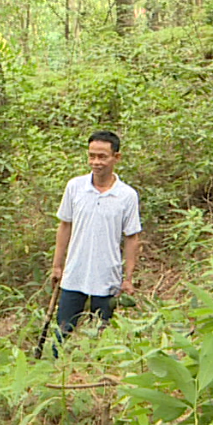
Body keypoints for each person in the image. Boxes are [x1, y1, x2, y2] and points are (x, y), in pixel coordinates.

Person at [49, 131, 142, 344]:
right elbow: (65, 226)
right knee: (62, 333)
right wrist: (57, 265)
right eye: (92, 156)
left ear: (116, 157)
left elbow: (132, 238)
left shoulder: (127, 196)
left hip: (108, 277)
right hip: (74, 274)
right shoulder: (75, 187)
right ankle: (57, 371)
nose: (96, 162)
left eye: (102, 156)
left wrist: (127, 278)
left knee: (103, 336)